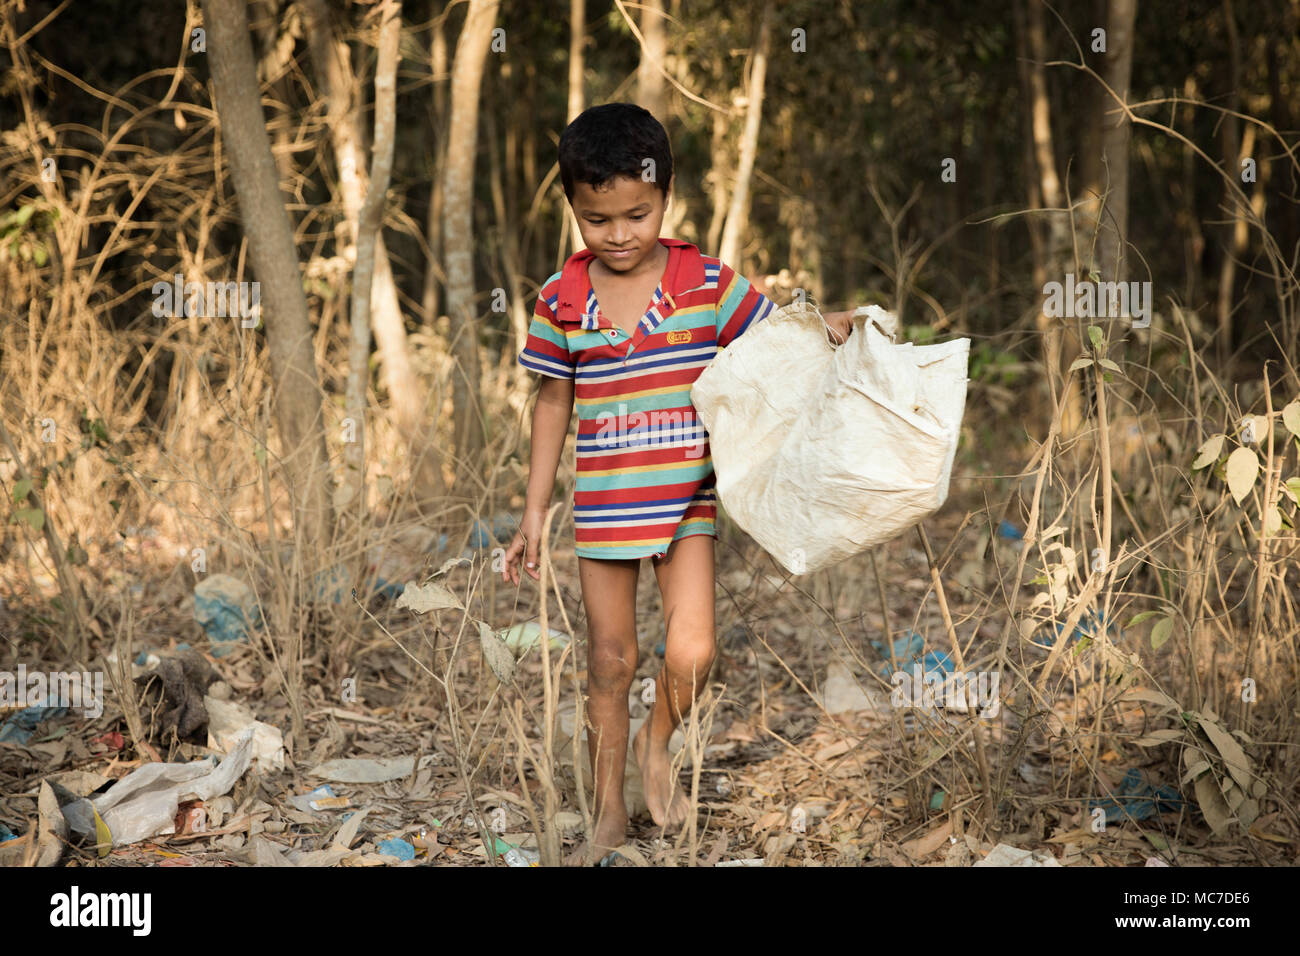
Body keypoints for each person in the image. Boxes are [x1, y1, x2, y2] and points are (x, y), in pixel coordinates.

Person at [501, 102, 855, 864]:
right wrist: (533, 511)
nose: (621, 233)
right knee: (608, 661)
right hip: (601, 506)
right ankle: (606, 811)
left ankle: (654, 743)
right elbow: (552, 401)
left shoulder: (706, 283)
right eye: (599, 219)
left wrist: (837, 323)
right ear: (573, 207)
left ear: (666, 199)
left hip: (686, 499)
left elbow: (778, 341)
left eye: (638, 213)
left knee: (692, 653)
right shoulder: (560, 301)